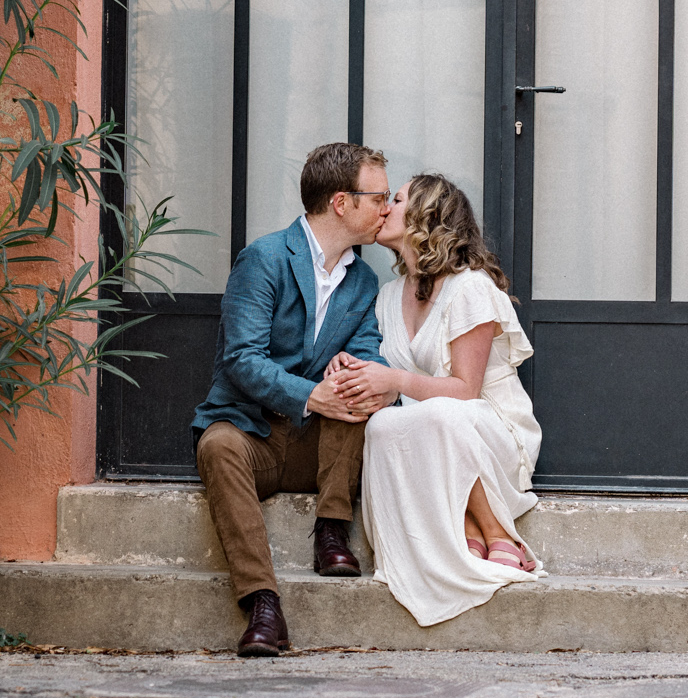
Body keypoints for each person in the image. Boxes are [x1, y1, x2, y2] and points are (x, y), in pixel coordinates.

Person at [192, 142, 400, 657]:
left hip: (319, 448)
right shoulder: (264, 259)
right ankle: (262, 605)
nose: (387, 208)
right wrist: (312, 394)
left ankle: (332, 530)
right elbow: (241, 357)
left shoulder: (364, 280)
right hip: (250, 431)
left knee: (359, 391)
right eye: (378, 198)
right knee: (216, 448)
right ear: (341, 202)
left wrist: (351, 368)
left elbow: (367, 349)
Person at [331, 173, 544, 628]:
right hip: (430, 435)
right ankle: (458, 532)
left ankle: (496, 531)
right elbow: (385, 371)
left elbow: (466, 389)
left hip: (489, 429)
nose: (385, 206)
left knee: (442, 411)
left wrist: (395, 379)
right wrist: (350, 366)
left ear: (426, 215)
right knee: (382, 425)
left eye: (398, 199)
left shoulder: (470, 287)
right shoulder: (388, 295)